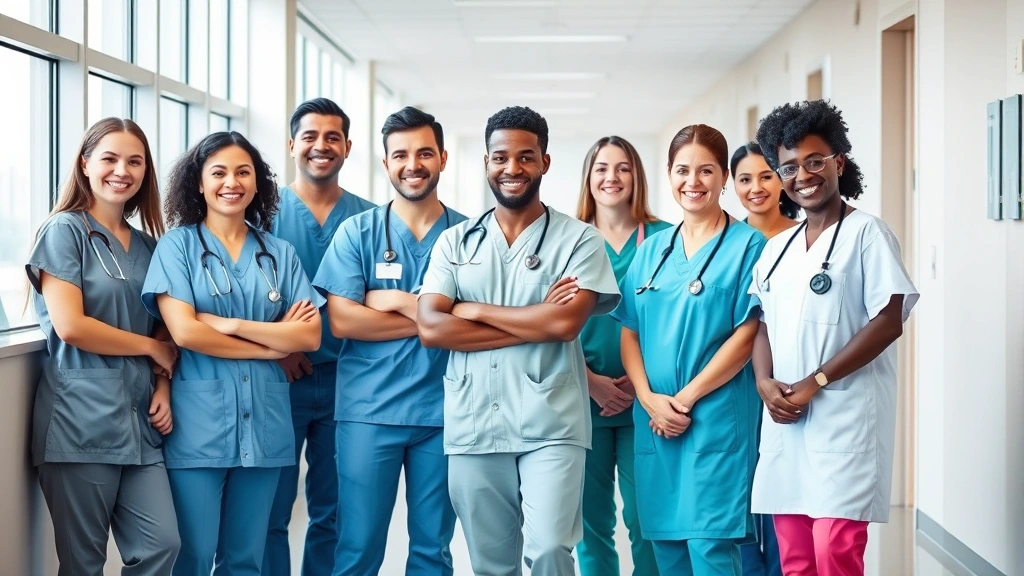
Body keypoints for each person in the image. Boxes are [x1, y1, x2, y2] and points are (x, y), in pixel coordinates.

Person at [417, 106, 620, 576]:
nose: (512, 168)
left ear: (544, 162)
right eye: (500, 157)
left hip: (551, 421)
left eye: (526, 157)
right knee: (491, 564)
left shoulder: (579, 240)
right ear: (486, 162)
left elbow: (564, 326)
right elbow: (431, 328)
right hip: (474, 425)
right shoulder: (455, 242)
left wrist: (472, 309)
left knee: (550, 549)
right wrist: (534, 317)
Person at [142, 131, 324, 576]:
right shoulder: (178, 247)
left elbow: (310, 338)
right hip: (199, 428)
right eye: (219, 172)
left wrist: (230, 325)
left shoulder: (279, 253)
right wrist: (271, 344)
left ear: (258, 183)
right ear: (199, 184)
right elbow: (185, 332)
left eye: (244, 172)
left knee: (246, 559)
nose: (232, 182)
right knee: (195, 555)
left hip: (264, 427)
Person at [749, 100, 918, 576]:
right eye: (789, 166)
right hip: (785, 418)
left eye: (815, 160)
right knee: (796, 556)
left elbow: (889, 320)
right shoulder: (777, 248)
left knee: (833, 550)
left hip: (843, 414)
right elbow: (762, 321)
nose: (802, 174)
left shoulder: (868, 234)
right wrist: (764, 381)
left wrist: (816, 381)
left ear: (838, 162)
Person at [314, 106, 465, 575]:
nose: (412, 164)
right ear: (385, 163)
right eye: (400, 154)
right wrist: (433, 319)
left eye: (424, 153)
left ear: (442, 158)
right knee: (357, 548)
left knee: (432, 551)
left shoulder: (468, 236)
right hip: (369, 414)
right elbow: (343, 321)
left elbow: (479, 325)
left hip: (445, 414)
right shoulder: (356, 232)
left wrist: (395, 301)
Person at [25, 117, 180, 576]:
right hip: (79, 422)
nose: (122, 171)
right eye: (110, 158)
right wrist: (150, 351)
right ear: (85, 163)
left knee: (162, 545)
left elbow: (164, 333)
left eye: (135, 161)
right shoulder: (64, 232)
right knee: (83, 563)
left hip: (140, 426)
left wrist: (162, 387)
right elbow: (71, 325)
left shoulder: (152, 247)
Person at [612, 124, 766, 576]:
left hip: (714, 419)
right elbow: (630, 331)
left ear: (723, 178)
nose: (692, 182)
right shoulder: (652, 249)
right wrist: (648, 399)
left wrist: (684, 399)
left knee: (711, 549)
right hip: (656, 421)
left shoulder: (749, 246)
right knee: (668, 553)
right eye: (682, 170)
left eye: (705, 171)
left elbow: (746, 334)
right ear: (668, 174)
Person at [264, 97, 376, 576]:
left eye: (333, 137)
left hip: (348, 381)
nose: (321, 146)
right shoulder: (261, 214)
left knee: (333, 511)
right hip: (278, 381)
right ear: (292, 145)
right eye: (310, 136)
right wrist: (278, 348)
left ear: (348, 147)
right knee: (270, 508)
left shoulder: (370, 219)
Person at [573, 136, 669, 576]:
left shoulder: (668, 239)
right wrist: (591, 382)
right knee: (590, 524)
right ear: (588, 178)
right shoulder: (565, 239)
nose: (612, 178)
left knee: (646, 519)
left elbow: (674, 319)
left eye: (623, 168)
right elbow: (549, 321)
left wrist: (641, 383)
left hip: (644, 402)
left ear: (638, 177)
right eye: (601, 168)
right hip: (581, 399)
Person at [730, 141, 797, 576]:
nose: (756, 188)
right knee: (742, 491)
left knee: (783, 493)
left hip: (790, 378)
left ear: (782, 178)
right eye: (744, 179)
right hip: (737, 382)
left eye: (766, 176)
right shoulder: (729, 242)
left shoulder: (804, 235)